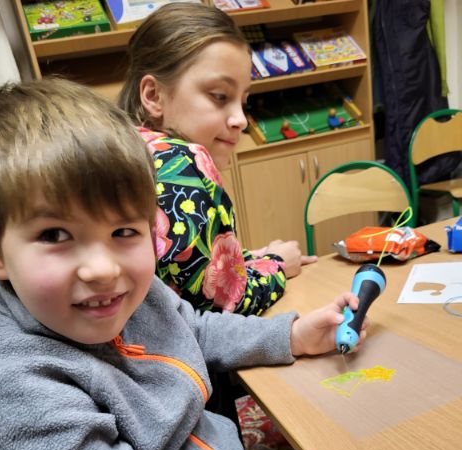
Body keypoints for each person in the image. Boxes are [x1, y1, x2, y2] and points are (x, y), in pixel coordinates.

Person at [0, 78, 445, 450]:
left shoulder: (130, 294)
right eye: (56, 234)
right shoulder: (9, 390)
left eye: (124, 231)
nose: (104, 268)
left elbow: (191, 328)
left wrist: (292, 336)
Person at [118, 2, 317, 317]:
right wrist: (278, 264)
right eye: (219, 96)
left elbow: (184, 270)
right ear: (154, 95)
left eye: (243, 101)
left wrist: (251, 260)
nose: (241, 119)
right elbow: (224, 303)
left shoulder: (125, 147)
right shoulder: (181, 159)